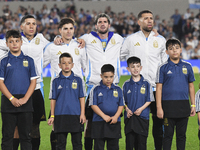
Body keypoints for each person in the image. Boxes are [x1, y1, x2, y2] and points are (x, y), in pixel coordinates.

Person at [0, 14, 85, 150]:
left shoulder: (42, 40)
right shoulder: (14, 39)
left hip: (35, 87)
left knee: (34, 126)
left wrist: (60, 39)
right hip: (15, 89)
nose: (31, 26)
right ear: (22, 26)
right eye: (28, 23)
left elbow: (57, 43)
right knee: (14, 128)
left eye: (34, 23)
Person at [121, 10, 168, 150]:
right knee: (137, 121)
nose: (149, 21)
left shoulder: (160, 39)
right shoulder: (130, 39)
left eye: (151, 18)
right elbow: (121, 56)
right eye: (146, 18)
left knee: (159, 122)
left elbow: (164, 63)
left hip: (156, 88)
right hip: (137, 87)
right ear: (139, 22)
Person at [80, 13, 124, 150]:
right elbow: (70, 41)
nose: (103, 23)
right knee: (89, 123)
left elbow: (134, 42)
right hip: (93, 86)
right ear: (96, 25)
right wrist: (58, 38)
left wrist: (153, 34)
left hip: (113, 87)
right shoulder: (87, 38)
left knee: (112, 119)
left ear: (109, 25)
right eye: (100, 21)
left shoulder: (118, 39)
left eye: (105, 21)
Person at [43, 17, 86, 150]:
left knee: (77, 137)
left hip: (76, 96)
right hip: (59, 95)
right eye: (65, 29)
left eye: (71, 28)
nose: (68, 31)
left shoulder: (80, 46)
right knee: (57, 134)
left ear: (74, 30)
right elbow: (40, 65)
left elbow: (86, 68)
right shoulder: (51, 47)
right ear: (60, 30)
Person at [0, 30, 38, 150]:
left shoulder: (29, 60)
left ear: (21, 42)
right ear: (7, 44)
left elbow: (33, 82)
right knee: (7, 136)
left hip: (25, 102)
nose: (14, 44)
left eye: (17, 41)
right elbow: (0, 82)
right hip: (8, 102)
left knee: (26, 136)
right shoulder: (3, 61)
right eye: (11, 41)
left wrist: (25, 98)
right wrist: (11, 98)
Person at [156, 38, 196, 150]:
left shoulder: (187, 66)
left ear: (181, 50)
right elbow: (159, 89)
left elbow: (191, 86)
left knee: (181, 136)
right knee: (167, 136)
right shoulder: (162, 68)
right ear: (166, 51)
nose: (174, 50)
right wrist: (159, 108)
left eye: (177, 48)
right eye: (171, 49)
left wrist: (193, 105)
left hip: (183, 106)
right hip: (168, 107)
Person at [48, 52, 86, 150]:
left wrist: (82, 114)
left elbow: (82, 98)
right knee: (60, 144)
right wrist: (52, 115)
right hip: (60, 116)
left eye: (69, 63)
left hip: (75, 115)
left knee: (77, 143)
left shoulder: (78, 80)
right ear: (59, 65)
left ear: (72, 65)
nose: (66, 65)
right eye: (64, 63)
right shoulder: (55, 81)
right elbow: (53, 99)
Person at [89, 64, 124, 150]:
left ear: (114, 76)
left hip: (114, 122)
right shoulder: (95, 89)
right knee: (98, 146)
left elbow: (121, 105)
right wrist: (103, 116)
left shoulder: (118, 89)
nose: (108, 79)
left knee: (114, 147)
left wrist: (116, 117)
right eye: (106, 77)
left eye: (111, 77)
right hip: (99, 122)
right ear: (101, 76)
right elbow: (93, 105)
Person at [123, 56, 154, 150]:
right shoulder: (126, 84)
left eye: (137, 66)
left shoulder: (146, 83)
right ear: (128, 69)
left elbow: (150, 99)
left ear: (141, 68)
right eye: (132, 66)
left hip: (142, 117)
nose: (135, 69)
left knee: (141, 144)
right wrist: (127, 109)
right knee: (129, 144)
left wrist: (141, 109)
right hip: (130, 117)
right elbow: (122, 101)